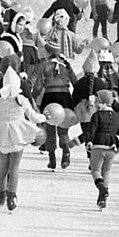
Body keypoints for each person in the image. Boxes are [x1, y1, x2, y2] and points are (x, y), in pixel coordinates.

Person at [0, 68, 47, 212]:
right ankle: (11, 196)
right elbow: (33, 116)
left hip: (1, 134)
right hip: (18, 134)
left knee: (3, 166)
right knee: (14, 167)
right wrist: (45, 117)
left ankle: (1, 193)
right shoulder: (21, 99)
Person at [70, 89, 119, 209]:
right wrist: (112, 129)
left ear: (102, 102)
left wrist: (76, 142)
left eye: (96, 101)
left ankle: (101, 189)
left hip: (98, 146)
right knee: (106, 172)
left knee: (95, 171)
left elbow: (89, 133)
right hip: (112, 148)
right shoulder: (116, 116)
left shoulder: (97, 115)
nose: (94, 104)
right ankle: (103, 199)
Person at [30, 37, 76, 170]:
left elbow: (38, 85)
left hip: (50, 96)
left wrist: (33, 97)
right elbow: (75, 81)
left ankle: (52, 158)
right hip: (65, 96)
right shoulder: (66, 64)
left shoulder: (44, 65)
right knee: (63, 128)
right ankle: (66, 151)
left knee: (49, 128)